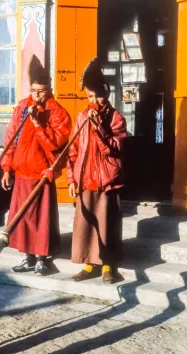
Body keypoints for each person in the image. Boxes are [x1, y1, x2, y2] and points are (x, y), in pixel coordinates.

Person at [0, 55, 72, 276]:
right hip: (22, 172)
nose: (36, 97)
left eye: (41, 92)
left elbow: (56, 144)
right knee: (23, 217)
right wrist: (7, 168)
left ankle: (42, 258)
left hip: (42, 174)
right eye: (33, 91)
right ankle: (28, 256)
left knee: (41, 219)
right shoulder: (22, 108)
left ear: (49, 91)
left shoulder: (57, 112)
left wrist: (39, 124)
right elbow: (10, 139)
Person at [67, 58, 128, 284]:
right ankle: (89, 263)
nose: (94, 101)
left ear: (107, 93)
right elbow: (72, 151)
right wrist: (71, 178)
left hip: (106, 179)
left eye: (98, 96)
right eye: (90, 97)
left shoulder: (116, 119)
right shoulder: (81, 117)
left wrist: (99, 128)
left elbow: (113, 149)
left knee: (106, 223)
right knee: (86, 224)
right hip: (85, 178)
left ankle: (108, 266)